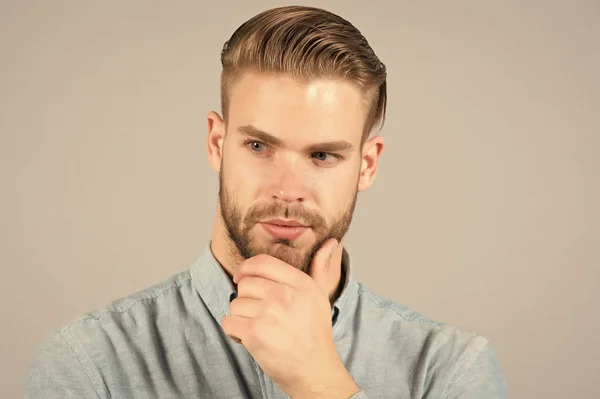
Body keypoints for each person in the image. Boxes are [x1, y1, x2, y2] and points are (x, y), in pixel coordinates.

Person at [25, 5, 508, 398]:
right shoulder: (91, 365)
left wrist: (321, 383)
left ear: (367, 165)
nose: (287, 188)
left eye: (322, 155)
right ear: (217, 143)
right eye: (258, 146)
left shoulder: (448, 370)